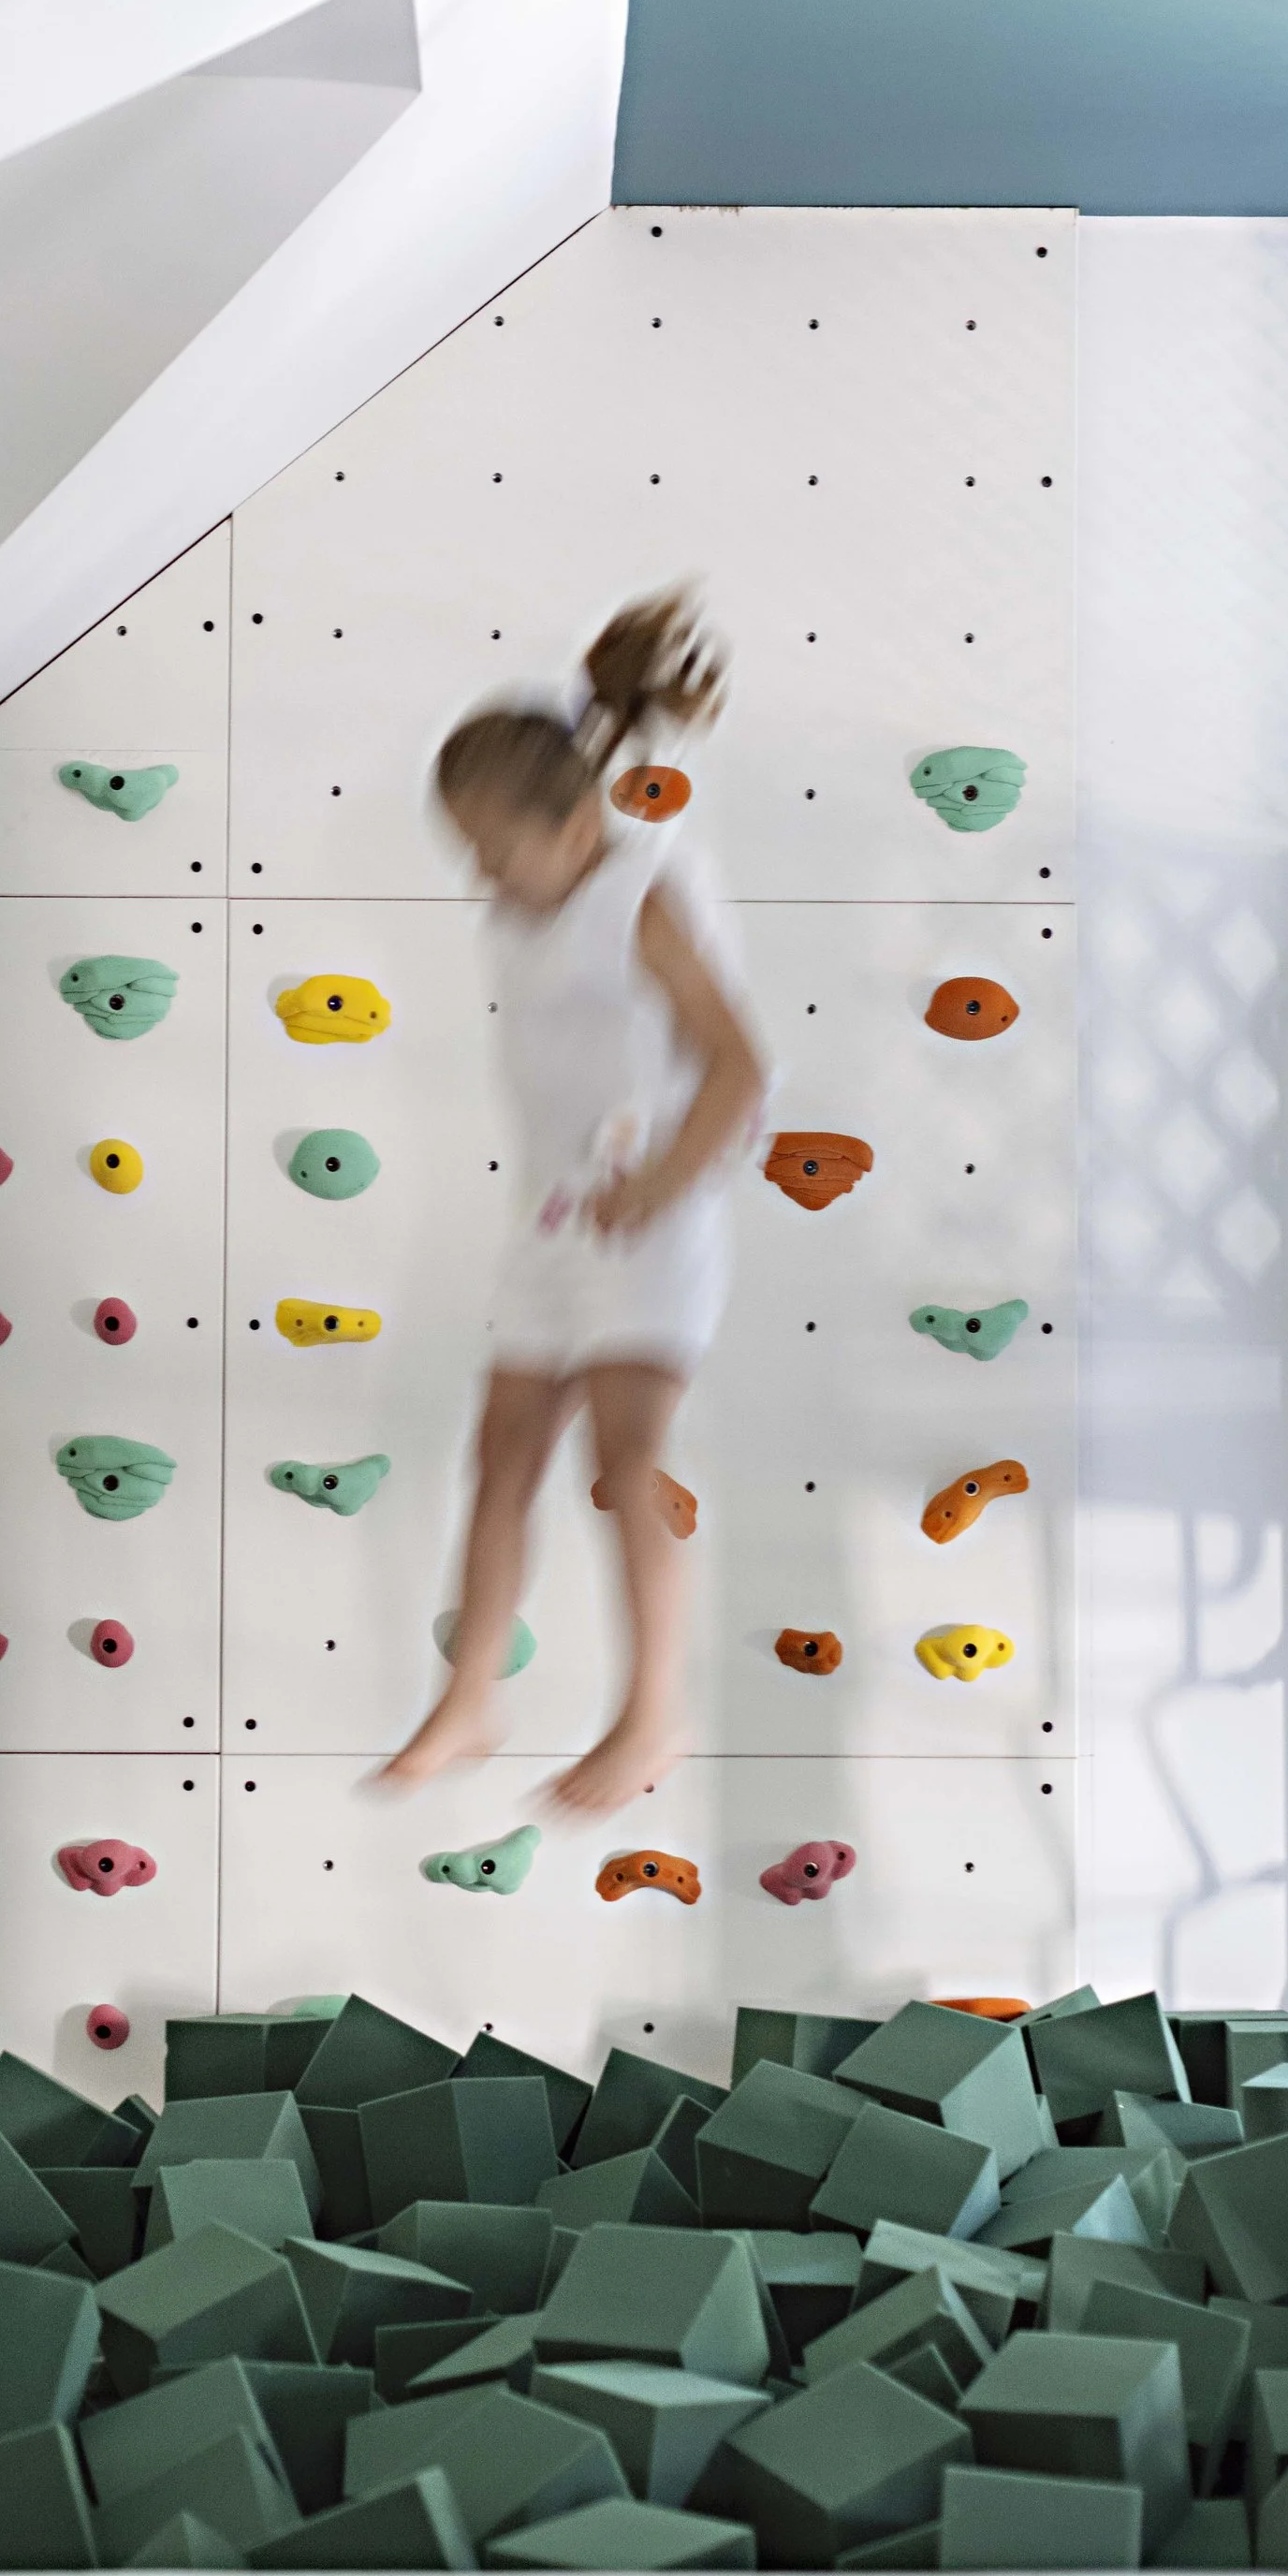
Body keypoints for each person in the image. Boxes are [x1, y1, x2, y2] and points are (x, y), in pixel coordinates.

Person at [377, 587, 766, 1813]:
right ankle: (470, 1697)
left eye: (496, 850)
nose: (482, 876)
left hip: (652, 1221)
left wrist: (662, 1183)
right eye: (469, 853)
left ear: (573, 823)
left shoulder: (640, 897)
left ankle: (654, 1711)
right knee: (500, 1453)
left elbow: (739, 1062)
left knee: (625, 1460)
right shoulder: (522, 914)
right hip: (554, 1221)